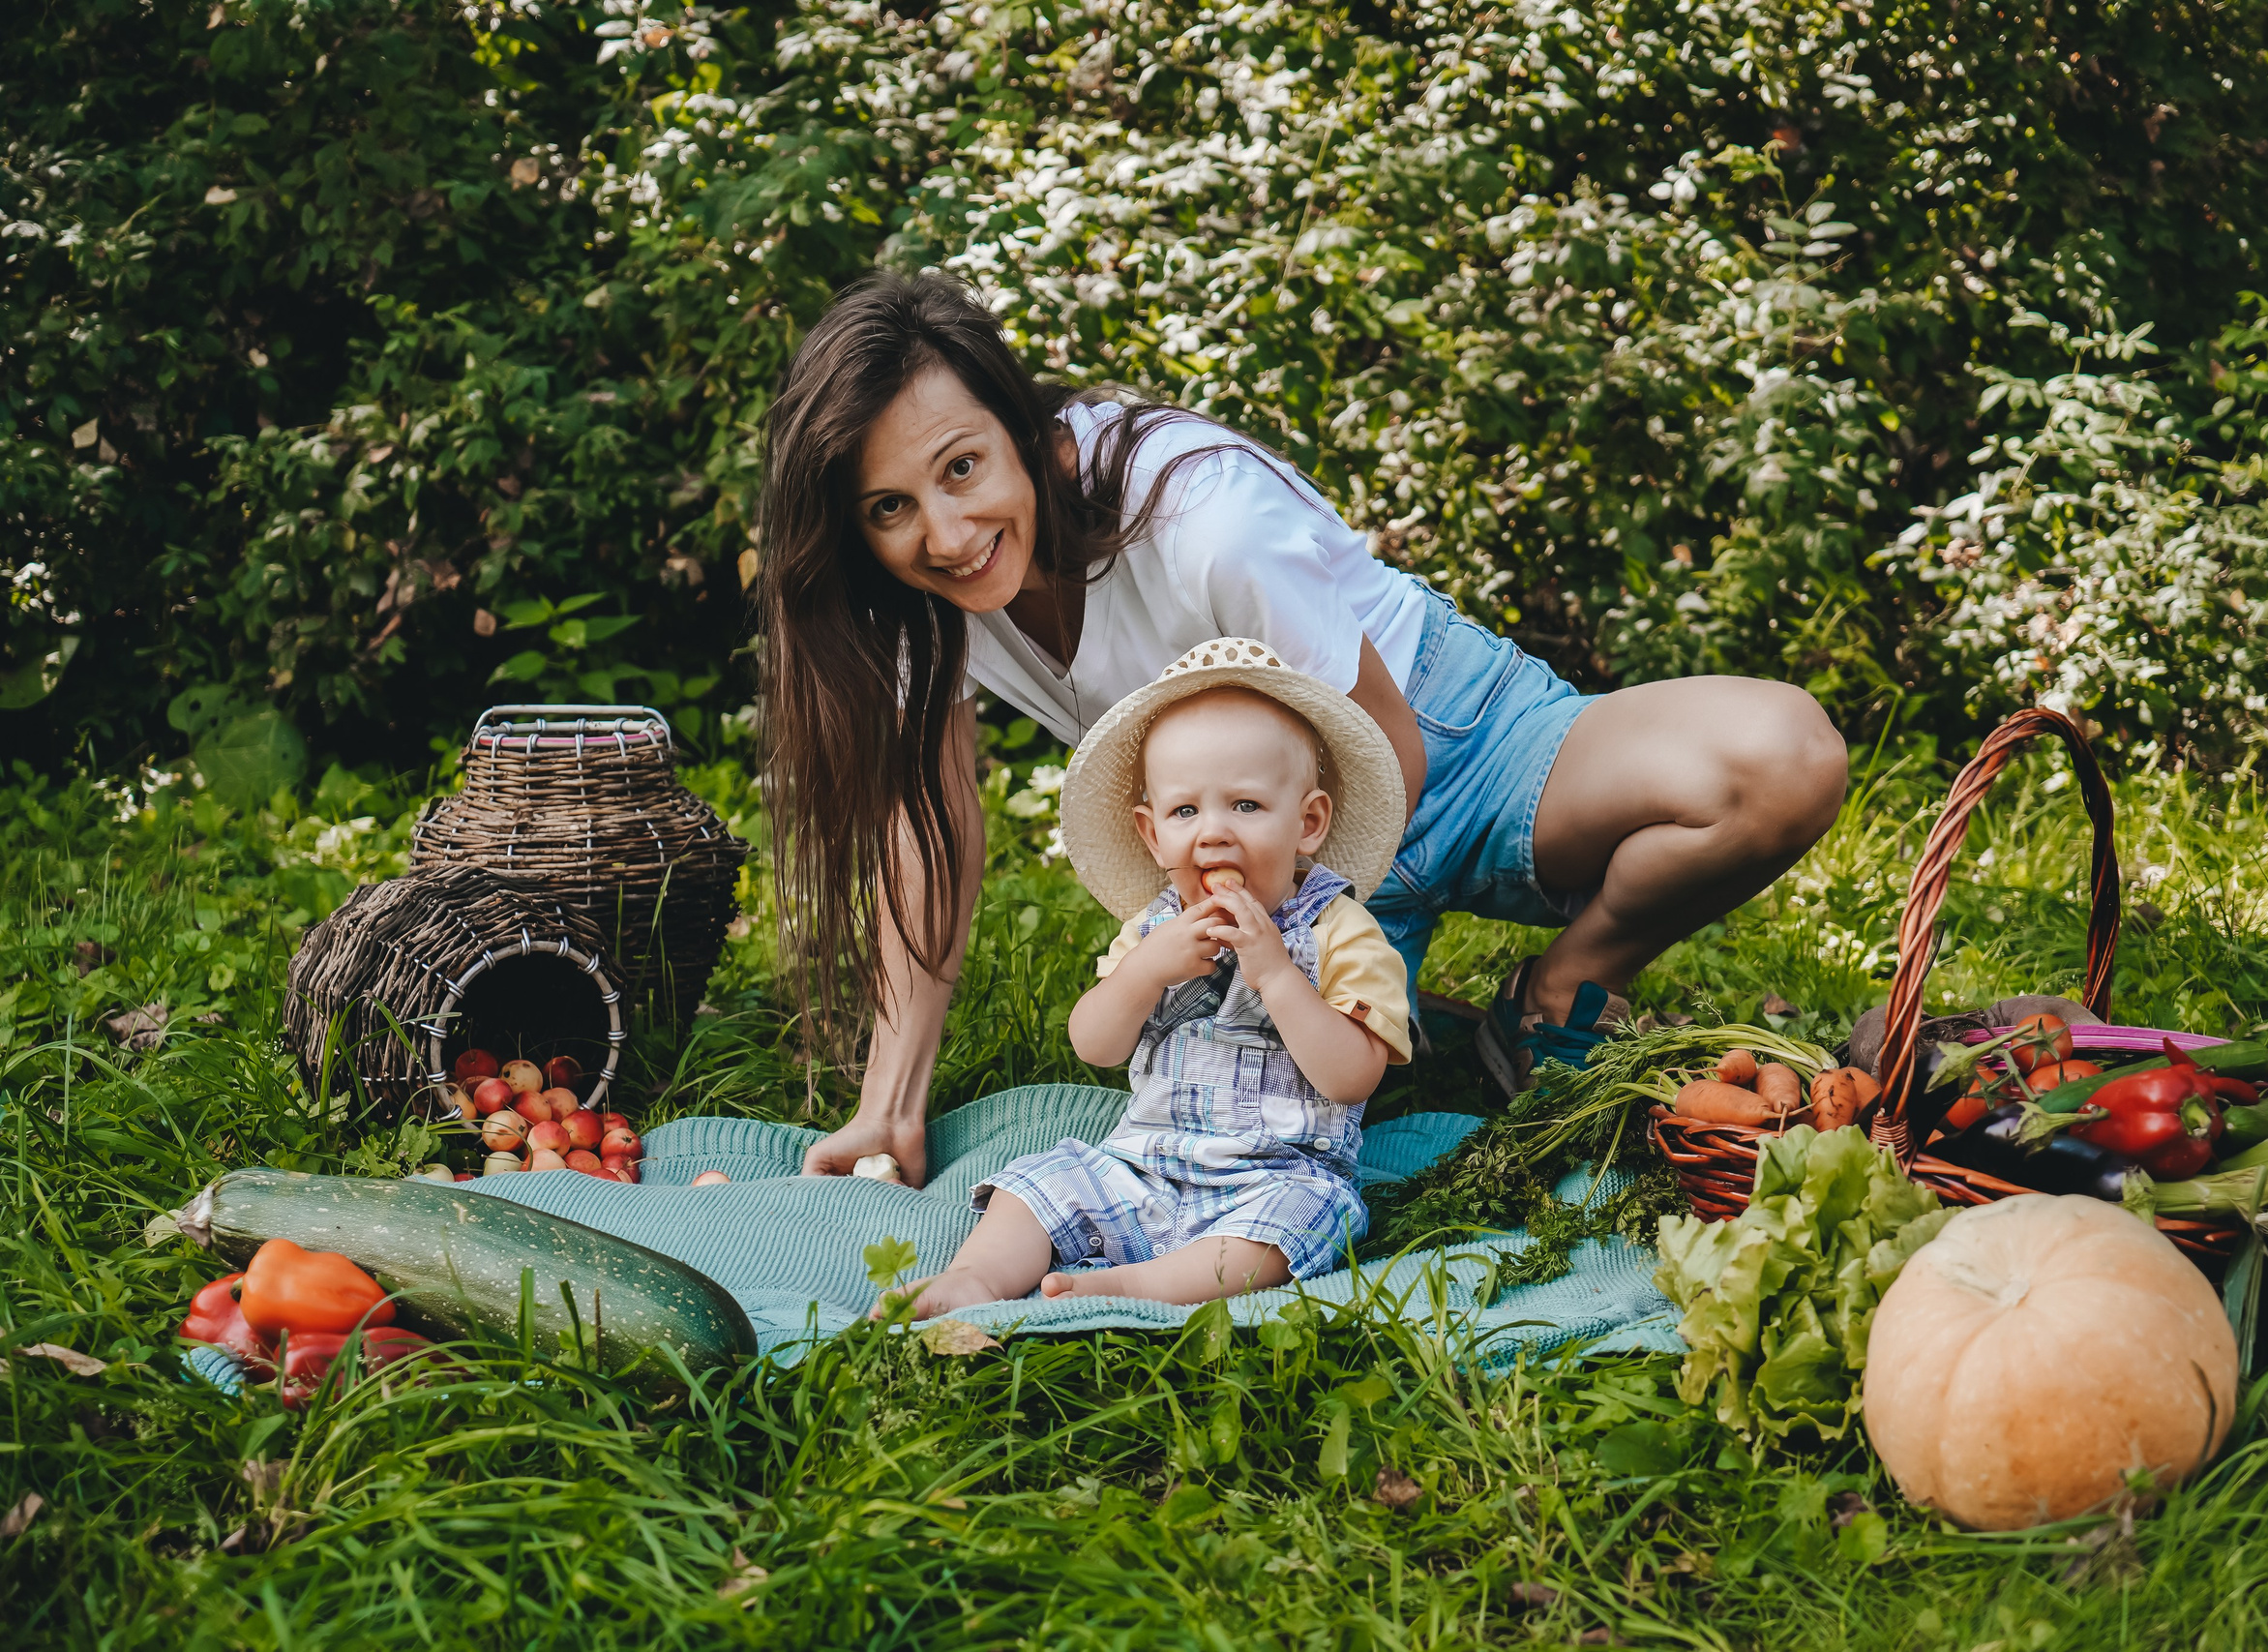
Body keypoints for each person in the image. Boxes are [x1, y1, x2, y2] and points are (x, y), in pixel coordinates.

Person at [759, 271, 1846, 1188]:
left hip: (1439, 739)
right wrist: (888, 1105)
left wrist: (1319, 956)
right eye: (889, 507)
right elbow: (927, 834)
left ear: (1024, 430)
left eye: (962, 468)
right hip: (1260, 837)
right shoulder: (906, 605)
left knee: (1779, 758)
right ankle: (1430, 1015)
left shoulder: (1205, 516)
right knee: (1252, 1137)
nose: (946, 536)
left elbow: (1387, 742)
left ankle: (1559, 988)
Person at [887, 643, 1410, 1315]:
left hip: (1275, 1177)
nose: (1214, 832)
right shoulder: (1152, 930)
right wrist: (1143, 973)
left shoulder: (1341, 930)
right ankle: (974, 1278)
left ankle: (1131, 1286)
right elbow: (1094, 1044)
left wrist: (1278, 975)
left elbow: (1353, 1076)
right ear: (1153, 834)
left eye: (1246, 805)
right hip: (1143, 1167)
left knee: (1302, 1222)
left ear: (1308, 822)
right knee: (1037, 1185)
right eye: (1185, 811)